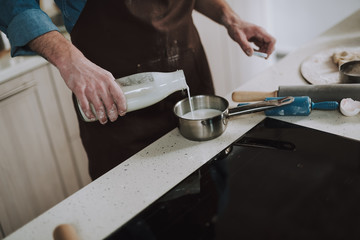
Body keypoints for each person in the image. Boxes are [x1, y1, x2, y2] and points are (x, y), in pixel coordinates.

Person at [0, 0, 276, 180]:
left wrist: (229, 17)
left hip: (188, 78)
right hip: (116, 100)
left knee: (208, 194)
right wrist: (68, 59)